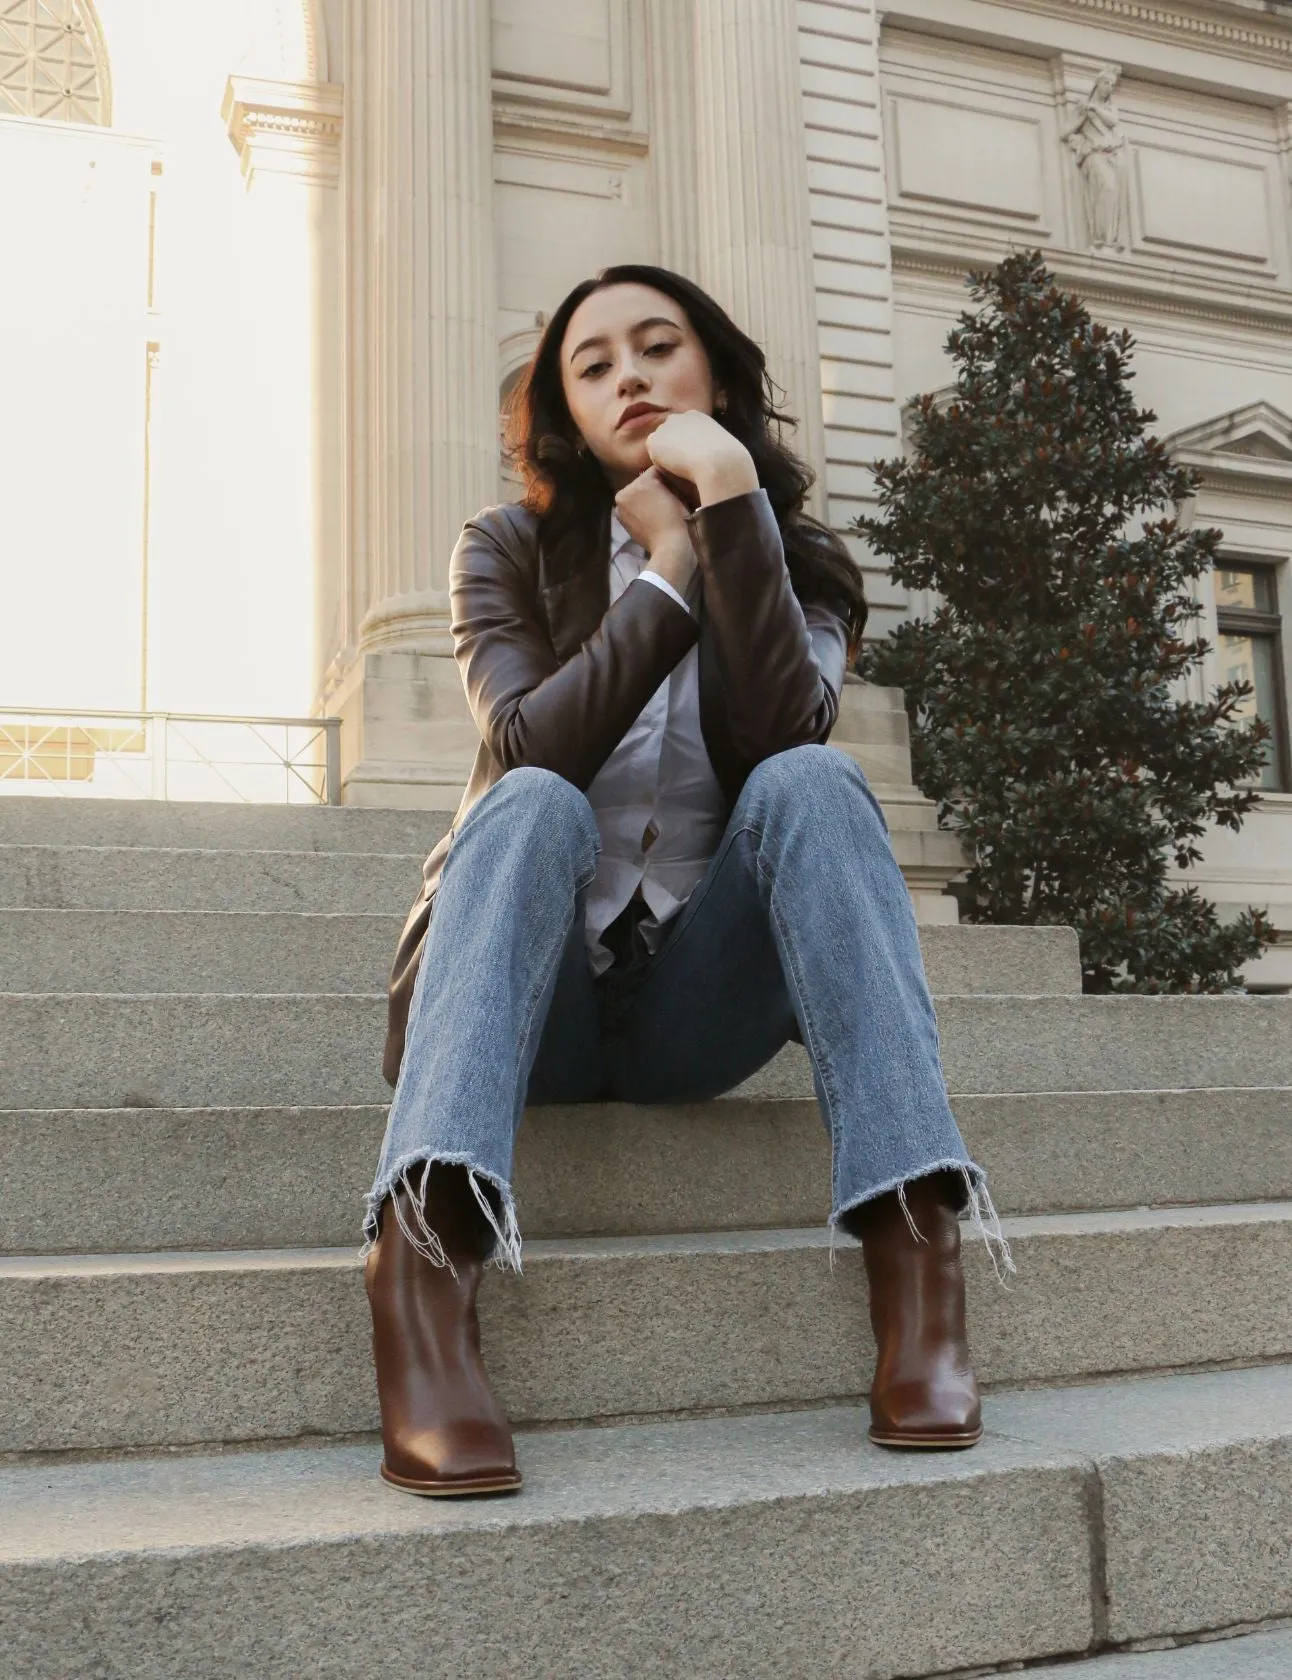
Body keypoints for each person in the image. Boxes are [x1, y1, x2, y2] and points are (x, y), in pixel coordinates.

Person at [362, 264, 1012, 1499]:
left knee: (816, 787)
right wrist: (659, 581)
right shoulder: (500, 550)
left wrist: (726, 516)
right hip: (529, 1006)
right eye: (592, 365)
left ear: (714, 373)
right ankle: (423, 1270)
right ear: (565, 411)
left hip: (689, 1012)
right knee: (535, 800)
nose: (630, 378)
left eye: (657, 348)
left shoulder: (803, 567)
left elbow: (780, 738)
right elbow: (527, 744)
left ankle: (917, 1252)